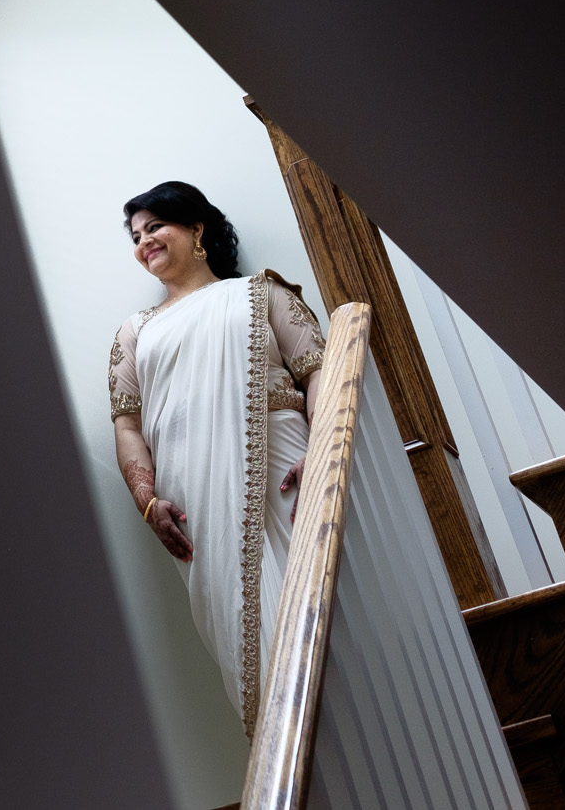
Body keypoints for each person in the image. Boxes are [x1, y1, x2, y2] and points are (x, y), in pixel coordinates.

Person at [106, 182, 522, 809]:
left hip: (288, 478)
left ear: (196, 229)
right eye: (135, 237)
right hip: (199, 509)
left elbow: (320, 369)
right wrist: (146, 499)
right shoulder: (134, 333)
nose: (144, 243)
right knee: (257, 650)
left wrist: (322, 451)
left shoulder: (260, 294)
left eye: (155, 226)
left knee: (332, 624)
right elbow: (128, 426)